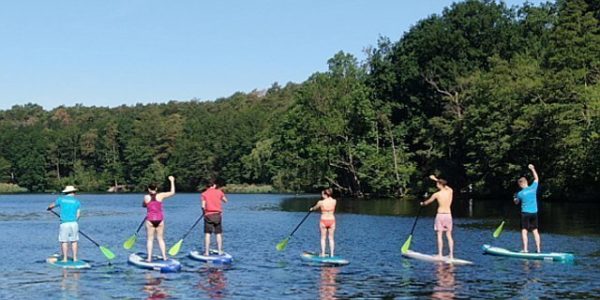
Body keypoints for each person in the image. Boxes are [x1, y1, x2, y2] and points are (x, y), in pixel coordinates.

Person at [420, 175, 454, 259]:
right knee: (449, 235)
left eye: (437, 184)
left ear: (439, 185)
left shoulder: (436, 194)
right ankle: (451, 255)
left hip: (440, 215)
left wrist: (422, 204)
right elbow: (445, 186)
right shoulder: (450, 191)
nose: (436, 185)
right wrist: (436, 179)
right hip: (448, 215)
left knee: (439, 234)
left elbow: (427, 202)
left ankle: (440, 255)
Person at [143, 176, 176, 262]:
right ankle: (164, 257)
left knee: (150, 239)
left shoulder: (146, 197)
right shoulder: (161, 196)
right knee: (160, 239)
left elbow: (144, 205)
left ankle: (149, 258)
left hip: (150, 220)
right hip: (160, 220)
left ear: (149, 189)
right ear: (156, 189)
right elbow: (172, 192)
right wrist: (172, 181)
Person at [47, 185, 81, 262]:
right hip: (74, 223)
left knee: (64, 241)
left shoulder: (61, 199)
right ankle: (75, 259)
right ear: (72, 192)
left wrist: (49, 208)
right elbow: (78, 215)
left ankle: (65, 259)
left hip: (64, 223)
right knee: (74, 241)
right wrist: (74, 221)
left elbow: (51, 206)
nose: (75, 193)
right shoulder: (77, 202)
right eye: (75, 192)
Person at [514, 164, 541, 253]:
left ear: (520, 184)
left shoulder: (520, 194)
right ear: (526, 182)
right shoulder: (533, 188)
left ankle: (525, 250)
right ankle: (538, 250)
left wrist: (515, 198)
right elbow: (536, 178)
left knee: (524, 231)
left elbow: (516, 202)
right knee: (535, 231)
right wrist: (533, 169)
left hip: (525, 214)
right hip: (534, 213)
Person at [202, 180, 228, 256]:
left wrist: (203, 212)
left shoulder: (204, 193)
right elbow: (225, 201)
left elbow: (203, 206)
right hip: (217, 215)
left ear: (207, 186)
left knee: (207, 234)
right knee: (218, 234)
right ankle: (220, 251)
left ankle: (206, 252)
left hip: (208, 215)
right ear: (214, 185)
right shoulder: (219, 192)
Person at [310, 188, 337, 257]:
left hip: (324, 221)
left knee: (323, 238)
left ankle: (323, 253)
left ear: (325, 194)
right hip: (332, 221)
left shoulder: (320, 202)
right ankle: (332, 254)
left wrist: (311, 209)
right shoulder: (334, 201)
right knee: (331, 238)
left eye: (322, 194)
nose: (321, 195)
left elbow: (315, 208)